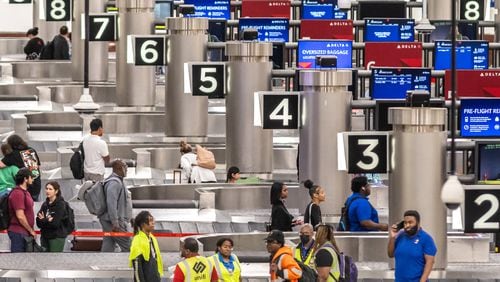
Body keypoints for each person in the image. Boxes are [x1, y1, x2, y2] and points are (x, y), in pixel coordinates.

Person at [387, 210, 437, 282]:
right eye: (405, 222)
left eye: (410, 222)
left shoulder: (426, 238)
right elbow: (390, 254)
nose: (407, 225)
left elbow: (430, 262)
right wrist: (392, 237)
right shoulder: (400, 236)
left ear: (418, 223)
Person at [98, 159, 132, 252]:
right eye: (125, 167)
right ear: (119, 168)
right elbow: (111, 203)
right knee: (128, 245)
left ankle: (105, 262)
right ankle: (133, 264)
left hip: (108, 219)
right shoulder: (114, 183)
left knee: (108, 242)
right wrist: (115, 222)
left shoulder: (116, 181)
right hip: (113, 221)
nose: (127, 170)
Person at [0, 134, 41, 201]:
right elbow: (38, 166)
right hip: (36, 186)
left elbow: (1, 165)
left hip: (26, 189)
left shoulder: (13, 154)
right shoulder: (31, 150)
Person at [129, 210, 163, 282]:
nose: (153, 223)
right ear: (143, 224)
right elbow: (137, 268)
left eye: (153, 220)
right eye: (150, 220)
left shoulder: (152, 239)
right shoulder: (138, 240)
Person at [7, 168, 36, 252]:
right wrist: (31, 230)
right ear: (25, 179)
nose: (32, 179)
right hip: (18, 232)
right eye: (31, 177)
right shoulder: (18, 193)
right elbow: (20, 216)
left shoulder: (25, 192)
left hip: (24, 232)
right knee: (18, 260)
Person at [36, 181, 67, 252]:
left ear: (56, 191)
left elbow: (55, 224)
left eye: (50, 189)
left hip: (56, 237)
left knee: (54, 259)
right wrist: (47, 220)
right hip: (44, 236)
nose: (47, 191)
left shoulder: (60, 205)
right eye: (46, 189)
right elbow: (38, 222)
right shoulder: (45, 204)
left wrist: (44, 220)